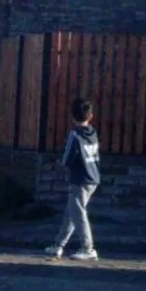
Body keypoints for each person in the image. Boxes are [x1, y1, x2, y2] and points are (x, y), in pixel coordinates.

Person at [46, 98, 101, 261]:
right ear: (90, 116)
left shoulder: (74, 135)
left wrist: (60, 164)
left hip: (80, 178)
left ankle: (88, 248)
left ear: (72, 117)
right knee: (71, 212)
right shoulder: (93, 133)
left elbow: (67, 158)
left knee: (78, 213)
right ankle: (58, 245)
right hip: (93, 177)